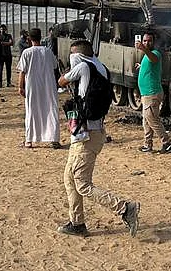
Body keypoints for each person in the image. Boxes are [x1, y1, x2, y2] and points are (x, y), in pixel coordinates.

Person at [56, 39, 140, 237]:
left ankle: (125, 208)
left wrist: (66, 71)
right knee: (70, 178)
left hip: (86, 135)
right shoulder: (100, 67)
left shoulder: (83, 67)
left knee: (83, 184)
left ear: (76, 56)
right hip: (90, 132)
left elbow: (61, 81)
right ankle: (77, 222)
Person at [17, 28, 61, 148]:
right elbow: (54, 66)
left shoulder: (27, 52)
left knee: (32, 110)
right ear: (40, 37)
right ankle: (54, 139)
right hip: (48, 85)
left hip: (32, 85)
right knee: (51, 109)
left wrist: (20, 86)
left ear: (29, 39)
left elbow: (22, 71)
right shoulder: (48, 51)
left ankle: (29, 140)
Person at [135, 31, 171, 153]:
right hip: (146, 93)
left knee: (153, 120)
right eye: (144, 41)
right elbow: (151, 66)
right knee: (146, 121)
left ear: (154, 42)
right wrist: (141, 66)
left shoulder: (155, 53)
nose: (146, 43)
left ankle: (167, 142)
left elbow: (153, 59)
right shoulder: (147, 55)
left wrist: (143, 49)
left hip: (152, 93)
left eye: (149, 41)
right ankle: (148, 144)